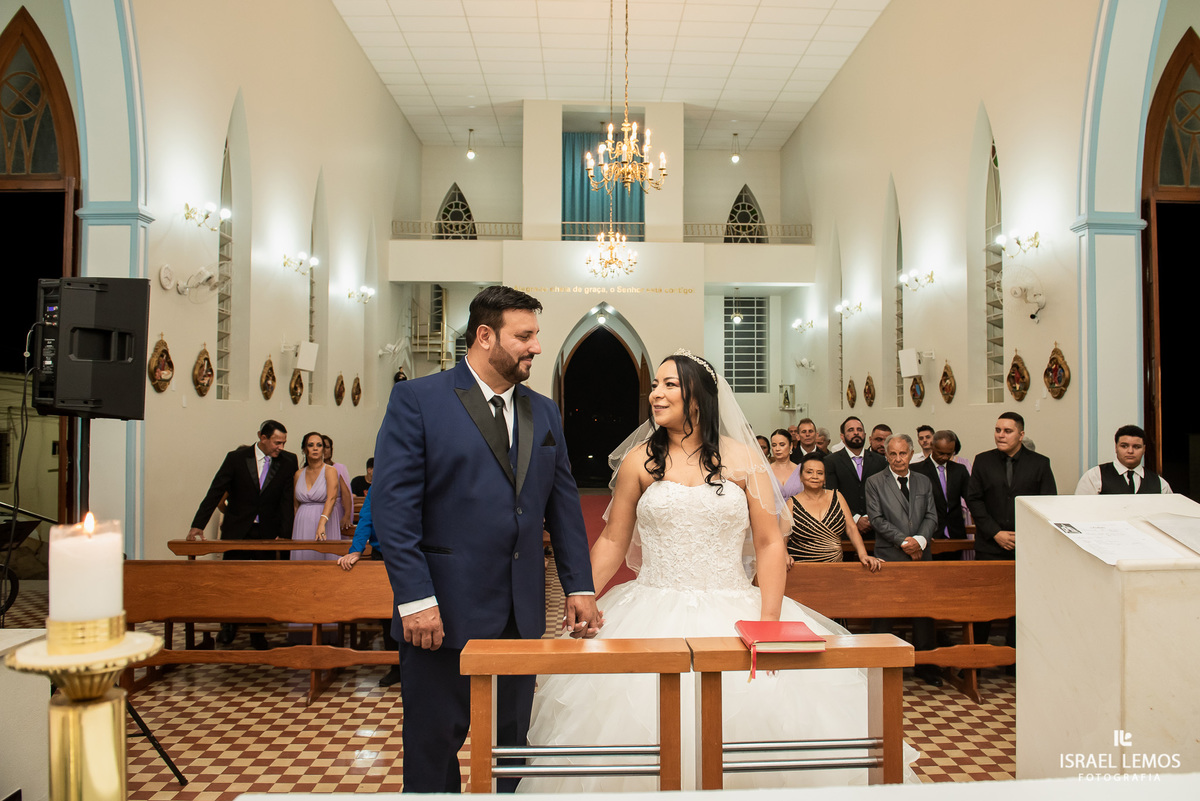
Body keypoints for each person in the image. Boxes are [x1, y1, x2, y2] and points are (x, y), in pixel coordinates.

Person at [519, 351, 916, 792]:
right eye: (655, 385)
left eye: (669, 384)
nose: (656, 393)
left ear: (697, 397)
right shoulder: (639, 461)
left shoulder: (744, 460)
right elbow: (613, 541)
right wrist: (583, 594)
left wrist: (769, 621)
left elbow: (768, 543)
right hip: (650, 607)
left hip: (733, 608)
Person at [371, 286, 599, 794]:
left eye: (536, 336)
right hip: (441, 611)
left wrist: (579, 586)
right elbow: (393, 511)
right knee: (433, 743)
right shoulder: (420, 400)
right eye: (524, 336)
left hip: (520, 612)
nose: (536, 347)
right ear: (484, 336)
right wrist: (415, 599)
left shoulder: (544, 411)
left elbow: (561, 506)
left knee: (512, 745)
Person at [187, 420, 298, 648]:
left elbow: (287, 500)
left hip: (267, 531)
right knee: (232, 580)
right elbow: (216, 490)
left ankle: (258, 631)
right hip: (237, 530)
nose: (281, 447)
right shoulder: (236, 458)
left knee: (261, 583)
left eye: (284, 443)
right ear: (262, 437)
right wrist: (198, 524)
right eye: (277, 442)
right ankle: (228, 625)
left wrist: (285, 534)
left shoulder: (288, 461)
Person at [966, 412, 1057, 651]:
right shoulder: (983, 460)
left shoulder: (1039, 463)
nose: (1001, 435)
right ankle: (976, 657)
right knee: (985, 604)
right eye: (997, 430)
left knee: (1022, 604)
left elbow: (1047, 504)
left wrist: (1025, 535)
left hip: (1025, 546)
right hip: (990, 545)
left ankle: (1017, 658)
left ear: (1021, 434)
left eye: (1007, 431)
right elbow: (974, 500)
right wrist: (995, 532)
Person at [864, 434, 942, 687]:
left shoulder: (923, 480)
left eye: (903, 453)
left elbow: (931, 515)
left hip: (921, 556)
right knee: (885, 612)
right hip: (889, 556)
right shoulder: (875, 482)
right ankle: (879, 664)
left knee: (924, 611)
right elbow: (876, 519)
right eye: (893, 454)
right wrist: (905, 542)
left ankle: (926, 666)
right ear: (886, 456)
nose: (898, 459)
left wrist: (920, 541)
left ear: (911, 453)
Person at [336, 490, 403, 687]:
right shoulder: (379, 485)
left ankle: (417, 669)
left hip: (413, 555)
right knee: (386, 615)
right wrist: (356, 550)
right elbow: (366, 516)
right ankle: (396, 668)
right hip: (382, 555)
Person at [786, 451, 880, 570]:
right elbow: (781, 538)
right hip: (802, 568)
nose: (814, 476)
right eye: (809, 472)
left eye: (819, 473)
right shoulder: (791, 503)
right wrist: (784, 556)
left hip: (835, 567)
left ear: (825, 477)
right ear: (800, 476)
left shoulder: (837, 497)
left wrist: (863, 554)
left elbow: (851, 528)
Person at [801, 416, 886, 537]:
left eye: (859, 430)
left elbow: (883, 494)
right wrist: (856, 518)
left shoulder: (880, 461)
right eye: (851, 430)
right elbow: (832, 494)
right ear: (842, 436)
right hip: (844, 527)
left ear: (865, 434)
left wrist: (869, 517)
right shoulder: (831, 461)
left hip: (875, 527)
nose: (856, 432)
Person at [911, 430, 971, 545]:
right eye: (941, 453)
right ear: (932, 446)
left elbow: (971, 498)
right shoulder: (916, 471)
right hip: (929, 534)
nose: (944, 457)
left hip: (955, 534)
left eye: (949, 454)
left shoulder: (960, 470)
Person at [1075, 424, 1172, 495]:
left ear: (1144, 449)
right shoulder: (1095, 476)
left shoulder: (1159, 483)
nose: (1130, 451)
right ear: (1116, 448)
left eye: (1136, 447)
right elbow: (1081, 511)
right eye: (1124, 446)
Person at [292, 432, 342, 561]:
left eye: (319, 445)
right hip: (302, 523)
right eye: (311, 445)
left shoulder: (330, 471)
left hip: (325, 520)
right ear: (304, 449)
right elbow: (295, 504)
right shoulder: (298, 474)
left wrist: (322, 522)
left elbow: (331, 498)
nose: (315, 448)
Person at [322, 434, 355, 533]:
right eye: (321, 446)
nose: (324, 450)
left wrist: (347, 515)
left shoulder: (338, 468)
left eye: (327, 447)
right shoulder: (310, 470)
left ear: (331, 449)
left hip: (336, 510)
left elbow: (345, 494)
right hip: (318, 509)